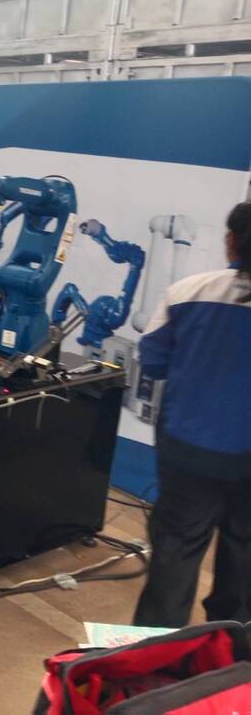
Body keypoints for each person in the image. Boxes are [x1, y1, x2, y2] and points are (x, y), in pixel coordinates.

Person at [132, 202, 251, 628]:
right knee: (245, 558)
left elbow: (153, 361)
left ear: (231, 241)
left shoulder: (189, 292)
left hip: (189, 450)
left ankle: (157, 652)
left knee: (176, 553)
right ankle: (234, 650)